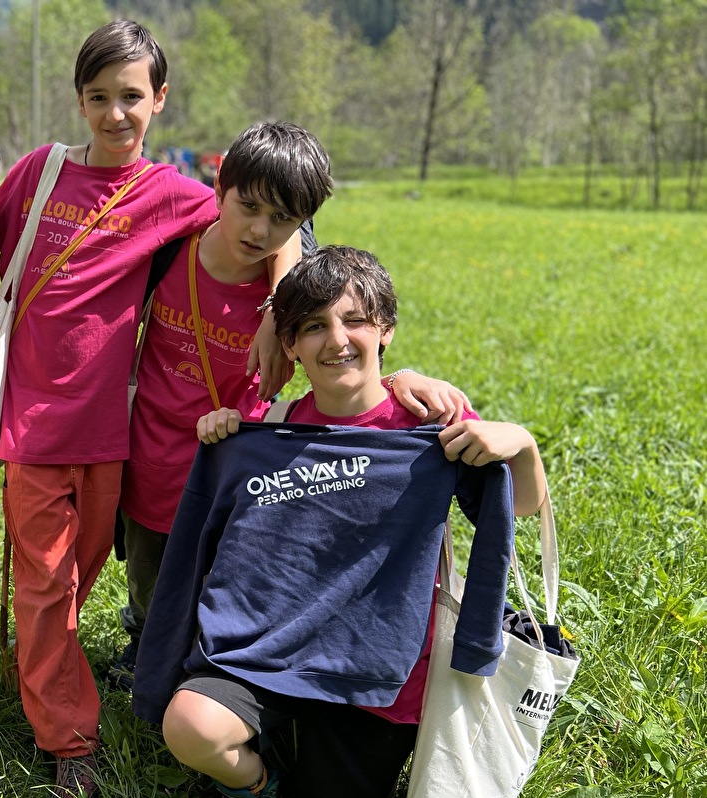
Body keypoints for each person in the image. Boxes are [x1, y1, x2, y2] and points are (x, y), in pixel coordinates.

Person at [0, 21, 305, 798]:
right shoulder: (39, 176)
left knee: (74, 583)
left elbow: (268, 220)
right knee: (47, 587)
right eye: (99, 97)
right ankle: (69, 742)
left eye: (131, 97)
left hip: (114, 437)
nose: (116, 114)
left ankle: (52, 668)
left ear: (159, 100)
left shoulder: (175, 196)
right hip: (35, 429)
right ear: (79, 100)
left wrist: (277, 308)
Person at [134, 246, 547, 798]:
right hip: (264, 652)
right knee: (190, 728)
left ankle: (298, 748)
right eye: (313, 327)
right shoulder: (264, 432)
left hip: (372, 672)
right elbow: (199, 546)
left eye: (354, 321)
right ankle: (250, 787)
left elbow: (518, 510)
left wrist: (520, 443)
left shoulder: (428, 430)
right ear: (291, 346)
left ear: (385, 330)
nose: (337, 340)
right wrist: (228, 439)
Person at [110, 122, 468, 693]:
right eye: (248, 207)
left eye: (280, 219)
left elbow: (349, 357)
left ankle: (217, 675)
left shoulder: (299, 296)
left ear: (302, 221)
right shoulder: (170, 250)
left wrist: (403, 378)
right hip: (151, 459)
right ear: (220, 184)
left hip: (244, 473)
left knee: (230, 588)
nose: (259, 230)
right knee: (154, 581)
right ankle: (148, 640)